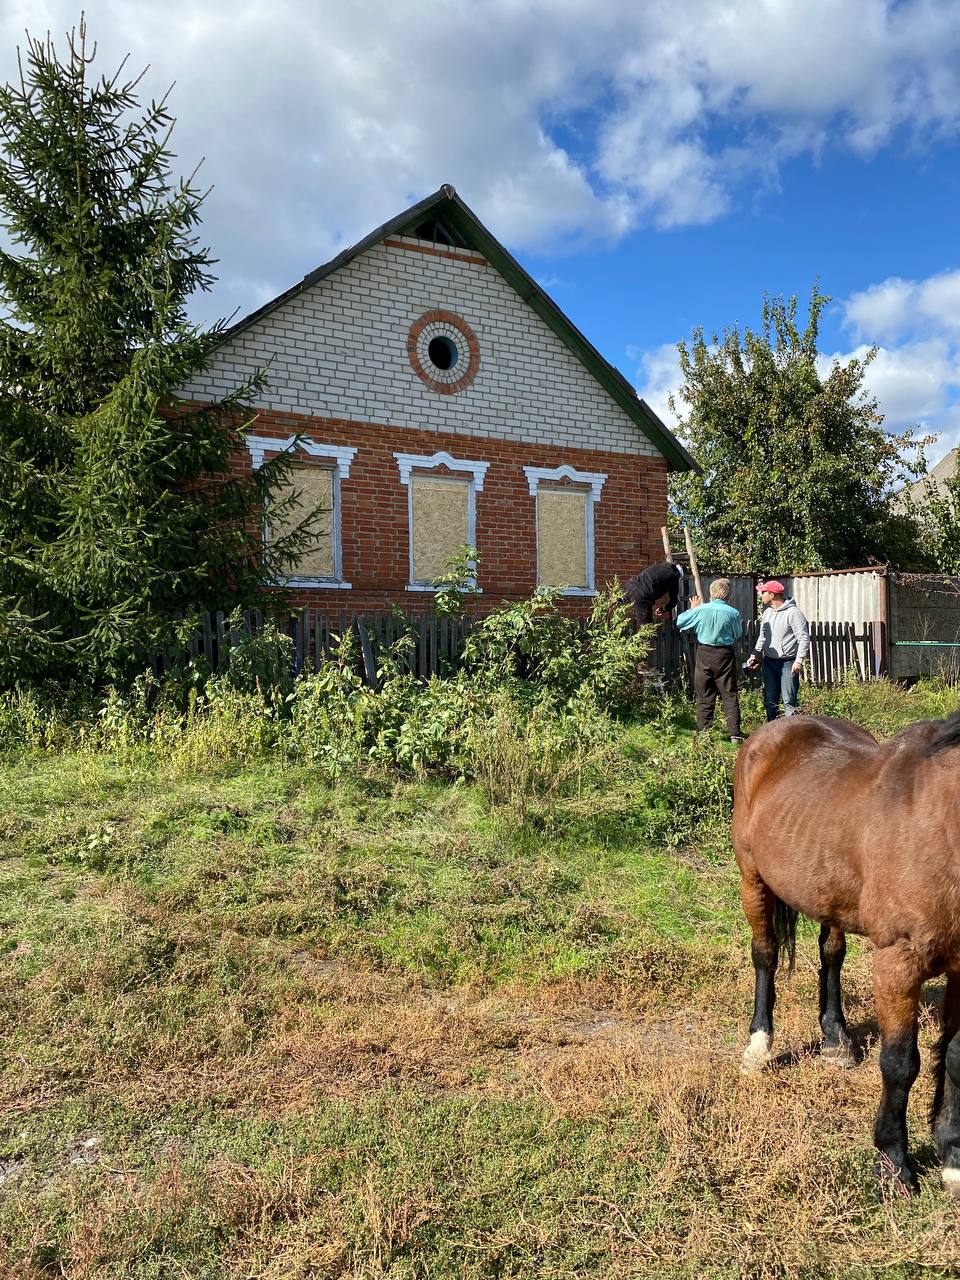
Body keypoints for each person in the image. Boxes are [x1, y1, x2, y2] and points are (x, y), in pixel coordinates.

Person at [675, 578, 744, 743]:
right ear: (728, 595)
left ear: (711, 592)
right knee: (729, 694)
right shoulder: (733, 613)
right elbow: (738, 633)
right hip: (724, 654)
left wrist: (693, 609)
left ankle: (704, 732)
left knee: (704, 693)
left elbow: (680, 622)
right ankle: (735, 734)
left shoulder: (701, 609)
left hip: (704, 653)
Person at [745, 579, 810, 720]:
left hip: (788, 663)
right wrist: (754, 655)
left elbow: (803, 638)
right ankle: (772, 730)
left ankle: (791, 731)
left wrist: (798, 660)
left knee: (789, 701)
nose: (760, 595)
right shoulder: (767, 613)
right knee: (770, 701)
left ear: (772, 595)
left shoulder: (794, 613)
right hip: (769, 662)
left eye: (763, 592)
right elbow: (763, 636)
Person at [624, 561, 684, 627]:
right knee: (646, 626)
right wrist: (663, 609)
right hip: (642, 595)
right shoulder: (674, 576)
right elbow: (673, 601)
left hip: (631, 584)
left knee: (616, 602)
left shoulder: (660, 566)